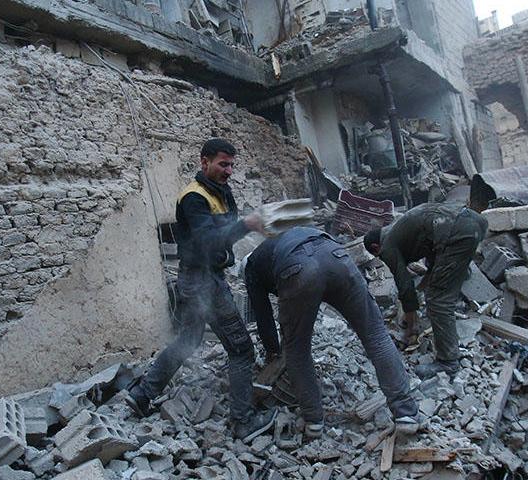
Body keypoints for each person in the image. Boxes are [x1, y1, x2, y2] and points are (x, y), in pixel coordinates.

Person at [124, 138, 275, 441]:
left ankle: (143, 393)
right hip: (205, 282)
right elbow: (208, 241)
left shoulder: (220, 191)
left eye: (232, 164)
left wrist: (249, 222)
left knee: (189, 339)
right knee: (241, 349)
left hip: (199, 279)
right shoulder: (194, 197)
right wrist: (248, 224)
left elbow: (224, 230)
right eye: (223, 164)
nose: (229, 170)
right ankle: (243, 421)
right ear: (204, 162)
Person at [243, 226, 420, 437]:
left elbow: (263, 317)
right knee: (375, 334)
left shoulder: (251, 268)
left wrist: (273, 352)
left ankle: (314, 421)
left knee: (296, 350)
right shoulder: (280, 240)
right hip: (337, 256)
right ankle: (405, 413)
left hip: (298, 267)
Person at [363, 202, 488, 379]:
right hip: (474, 221)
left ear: (376, 248)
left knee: (437, 300)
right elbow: (433, 253)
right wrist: (424, 286)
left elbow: (404, 284)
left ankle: (448, 362)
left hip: (458, 232)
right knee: (438, 270)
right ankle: (459, 274)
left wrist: (410, 321)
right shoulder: (398, 229)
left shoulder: (387, 246)